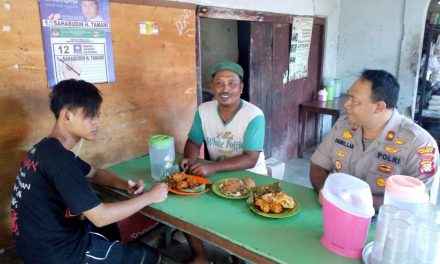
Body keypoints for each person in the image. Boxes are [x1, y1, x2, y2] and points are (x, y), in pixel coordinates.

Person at [10, 79, 168, 264]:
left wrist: (125, 184)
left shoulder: (46, 149)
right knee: (150, 257)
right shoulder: (60, 160)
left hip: (36, 246)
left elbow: (94, 173)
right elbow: (100, 217)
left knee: (109, 231)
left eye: (98, 115)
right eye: (91, 116)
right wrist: (150, 197)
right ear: (67, 116)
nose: (97, 122)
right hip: (59, 255)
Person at [310, 69, 440, 211]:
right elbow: (318, 165)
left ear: (379, 107)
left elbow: (419, 202)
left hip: (386, 221)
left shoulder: (419, 143)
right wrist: (325, 190)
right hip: (337, 210)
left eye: (355, 100)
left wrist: (356, 201)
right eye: (349, 97)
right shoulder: (343, 125)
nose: (346, 104)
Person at [179, 61, 266, 264]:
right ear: (212, 85)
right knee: (186, 207)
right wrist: (189, 160)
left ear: (241, 88)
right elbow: (193, 142)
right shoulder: (204, 110)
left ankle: (238, 258)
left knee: (239, 220)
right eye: (219, 83)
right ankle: (200, 256)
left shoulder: (254, 115)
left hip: (251, 177)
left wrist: (212, 166)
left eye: (232, 83)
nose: (225, 89)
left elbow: (251, 158)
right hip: (216, 173)